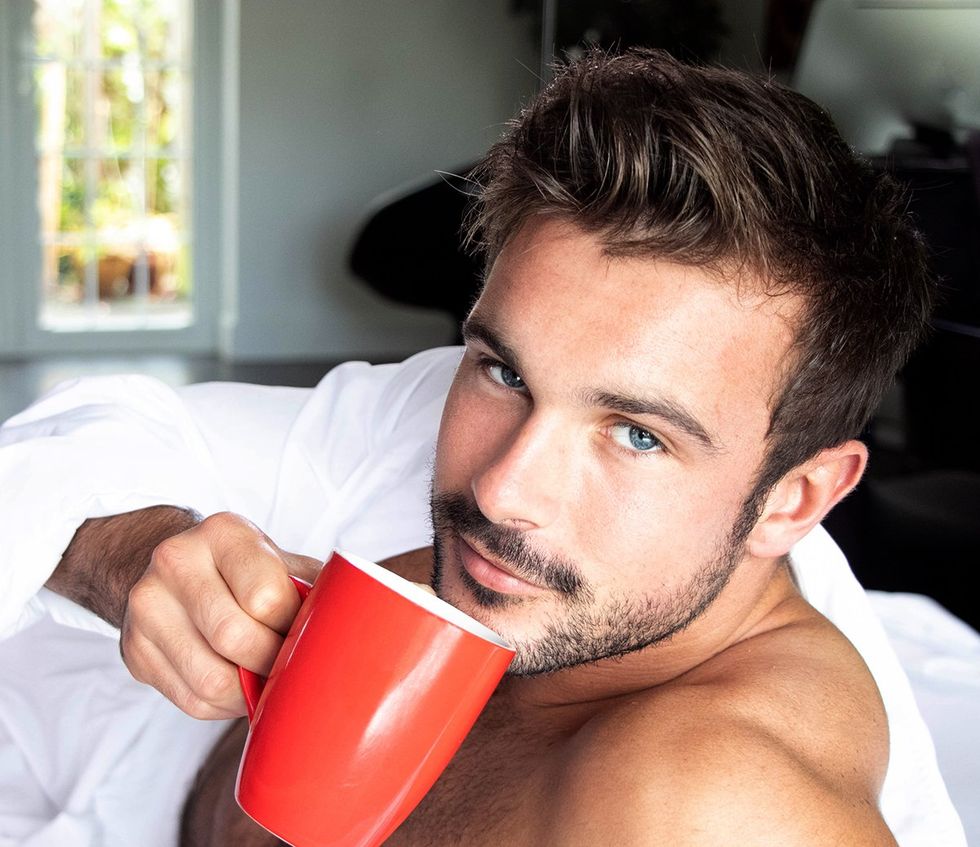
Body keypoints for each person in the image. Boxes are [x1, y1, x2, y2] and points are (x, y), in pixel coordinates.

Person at [0, 49, 967, 846]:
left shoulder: (707, 804)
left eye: (637, 434)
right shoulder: (440, 422)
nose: (504, 490)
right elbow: (95, 437)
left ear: (795, 500)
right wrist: (124, 555)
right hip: (91, 745)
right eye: (503, 372)